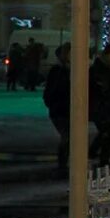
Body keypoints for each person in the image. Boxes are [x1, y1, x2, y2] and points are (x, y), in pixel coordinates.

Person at [43, 42, 72, 176]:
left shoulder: (68, 70)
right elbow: (52, 91)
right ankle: (62, 165)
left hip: (65, 109)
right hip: (60, 110)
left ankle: (65, 164)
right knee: (67, 137)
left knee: (69, 137)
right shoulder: (59, 71)